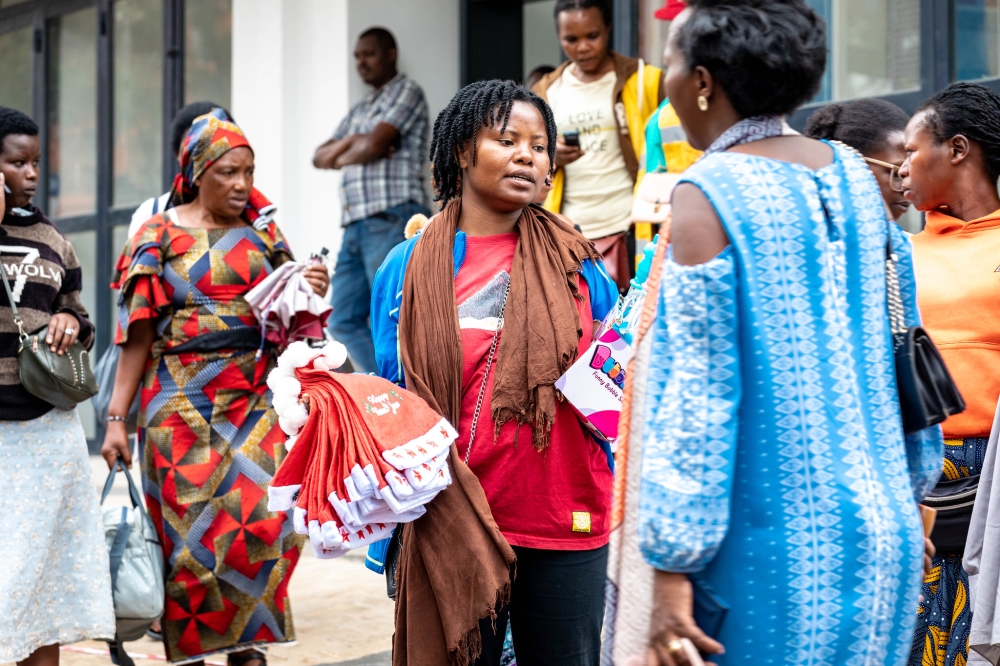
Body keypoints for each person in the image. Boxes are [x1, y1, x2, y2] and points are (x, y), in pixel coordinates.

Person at [636, 2, 944, 665]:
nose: (666, 77)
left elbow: (698, 401)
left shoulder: (708, 191)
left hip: (767, 553)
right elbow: (904, 338)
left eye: (670, 60)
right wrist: (910, 488)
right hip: (883, 535)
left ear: (703, 83)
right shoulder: (854, 177)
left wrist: (670, 563)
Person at [371, 79, 618, 666]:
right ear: (462, 151)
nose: (528, 154)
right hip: (449, 519)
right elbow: (391, 399)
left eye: (540, 144)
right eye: (507, 139)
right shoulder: (406, 268)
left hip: (564, 512)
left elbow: (612, 385)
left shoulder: (581, 266)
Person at [100, 109, 329, 666]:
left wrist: (309, 286)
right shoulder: (157, 236)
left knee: (264, 522)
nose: (242, 184)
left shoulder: (264, 233)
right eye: (229, 172)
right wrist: (115, 419)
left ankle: (248, 643)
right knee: (189, 548)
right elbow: (136, 335)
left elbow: (294, 324)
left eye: (248, 171)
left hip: (251, 399)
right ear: (198, 170)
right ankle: (199, 654)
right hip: (174, 409)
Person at [0, 107, 115, 666]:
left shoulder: (53, 240)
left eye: (35, 161)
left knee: (41, 571)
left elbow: (79, 315)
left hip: (47, 427)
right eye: (15, 161)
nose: (29, 172)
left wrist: (74, 324)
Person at [900, 82, 1000, 666]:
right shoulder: (896, 252)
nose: (901, 170)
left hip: (993, 489)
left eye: (913, 151)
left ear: (957, 149)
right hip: (911, 485)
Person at [313, 26, 430, 373]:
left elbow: (374, 146)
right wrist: (359, 143)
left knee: (394, 312)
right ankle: (383, 385)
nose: (361, 62)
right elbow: (319, 157)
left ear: (390, 53)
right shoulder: (363, 107)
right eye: (357, 56)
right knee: (342, 317)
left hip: (393, 217)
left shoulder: (406, 91)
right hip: (355, 224)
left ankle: (403, 390)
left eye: (369, 54)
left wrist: (362, 145)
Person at [532, 0, 664, 291]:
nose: (582, 47)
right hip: (568, 231)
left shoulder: (645, 80)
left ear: (608, 28)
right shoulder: (546, 91)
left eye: (592, 36)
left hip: (629, 229)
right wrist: (551, 156)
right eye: (571, 39)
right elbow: (526, 153)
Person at [127, 101, 253, 238]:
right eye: (192, 152)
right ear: (179, 156)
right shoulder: (153, 217)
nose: (199, 162)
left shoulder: (257, 219)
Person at [804, 99, 912, 221]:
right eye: (897, 174)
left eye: (914, 175)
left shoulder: (903, 239)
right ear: (853, 163)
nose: (909, 187)